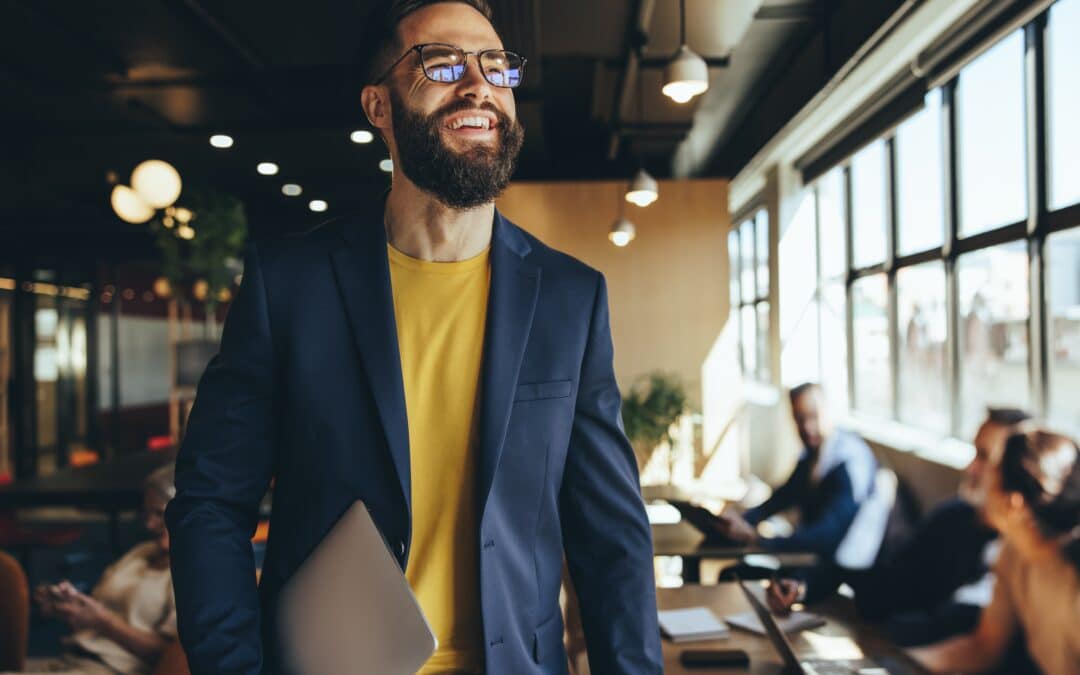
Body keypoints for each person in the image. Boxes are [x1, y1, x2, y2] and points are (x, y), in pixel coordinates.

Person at [163, 1, 662, 673]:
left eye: (495, 66)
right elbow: (210, 503)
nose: (478, 84)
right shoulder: (290, 287)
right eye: (443, 64)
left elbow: (611, 540)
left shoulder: (571, 298)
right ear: (379, 106)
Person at [768, 408, 1033, 646]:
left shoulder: (1022, 553)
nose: (970, 467)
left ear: (1015, 471)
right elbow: (886, 579)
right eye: (974, 452)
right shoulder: (953, 518)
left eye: (985, 457)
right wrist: (805, 585)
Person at [910, 429, 1080, 674]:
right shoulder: (1014, 551)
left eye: (994, 470)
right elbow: (984, 647)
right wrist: (895, 661)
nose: (980, 474)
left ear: (1014, 504)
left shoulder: (1073, 582)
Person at [2, 465, 178, 675]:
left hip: (112, 669)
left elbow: (170, 657)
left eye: (159, 514)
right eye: (146, 513)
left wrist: (103, 622)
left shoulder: (188, 574)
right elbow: (99, 608)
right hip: (72, 661)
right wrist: (70, 607)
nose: (149, 524)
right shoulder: (140, 553)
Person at [715, 383, 879, 559]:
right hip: (817, 558)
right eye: (800, 419)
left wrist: (758, 539)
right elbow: (784, 497)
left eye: (813, 416)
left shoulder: (848, 463)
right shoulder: (812, 454)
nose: (807, 428)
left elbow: (825, 538)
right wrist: (741, 520)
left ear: (829, 411)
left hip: (846, 565)